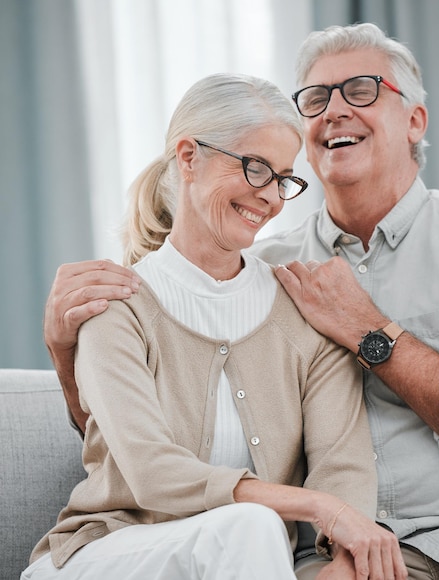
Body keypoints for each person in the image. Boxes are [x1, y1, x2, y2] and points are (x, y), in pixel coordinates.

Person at [42, 23, 439, 580]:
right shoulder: (265, 271)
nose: (335, 109)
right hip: (338, 542)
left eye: (361, 90)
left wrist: (371, 331)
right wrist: (67, 359)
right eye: (316, 98)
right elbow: (140, 432)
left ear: (415, 119)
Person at [24, 72, 408, 580]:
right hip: (107, 554)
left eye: (285, 178)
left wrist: (340, 557)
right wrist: (317, 507)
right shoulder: (115, 304)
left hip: (245, 561)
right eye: (255, 169)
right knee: (251, 524)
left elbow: (344, 462)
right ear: (188, 157)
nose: (271, 197)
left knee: (256, 529)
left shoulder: (305, 309)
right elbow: (152, 472)